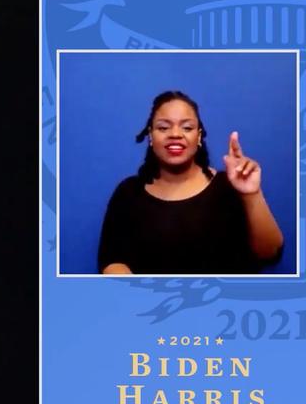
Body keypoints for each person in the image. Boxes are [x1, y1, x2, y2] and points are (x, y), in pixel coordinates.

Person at [97, 90, 284, 275]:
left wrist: (251, 193)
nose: (175, 134)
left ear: (199, 136)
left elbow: (270, 253)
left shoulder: (229, 186)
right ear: (150, 137)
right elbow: (111, 260)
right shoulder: (129, 192)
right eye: (163, 127)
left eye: (187, 127)